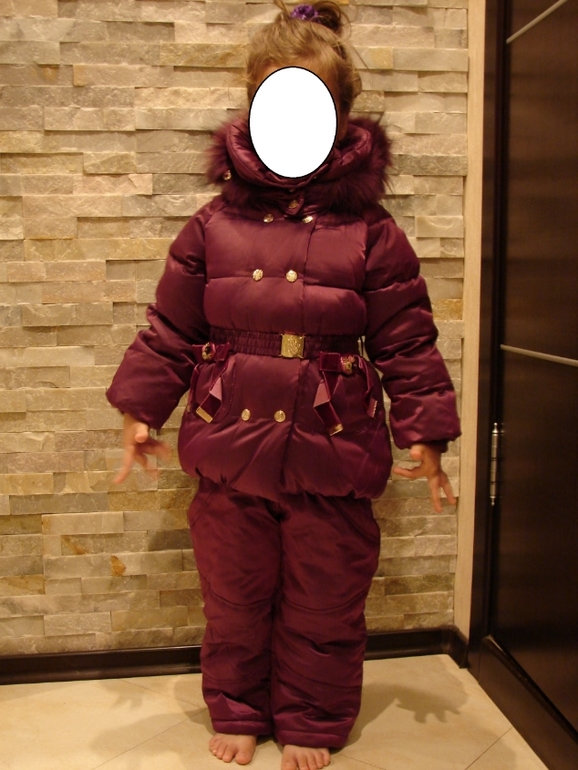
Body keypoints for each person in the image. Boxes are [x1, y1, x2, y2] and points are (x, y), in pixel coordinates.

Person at [106, 2, 461, 769]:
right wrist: (141, 410)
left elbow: (406, 339)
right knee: (234, 594)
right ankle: (237, 708)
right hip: (231, 445)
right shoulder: (212, 225)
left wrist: (426, 430)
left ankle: (311, 717)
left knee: (325, 598)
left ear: (341, 118)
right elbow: (170, 327)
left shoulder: (371, 233)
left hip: (332, 448)